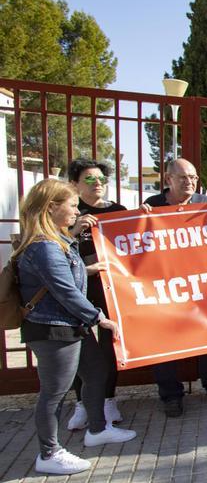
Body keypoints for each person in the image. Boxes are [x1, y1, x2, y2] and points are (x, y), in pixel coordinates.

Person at [15, 179, 136, 475]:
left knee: (95, 372)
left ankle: (97, 429)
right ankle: (49, 453)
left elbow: (70, 272)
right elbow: (65, 291)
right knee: (53, 393)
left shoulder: (57, 239)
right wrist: (100, 318)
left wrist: (79, 246)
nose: (75, 210)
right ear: (52, 207)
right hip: (53, 329)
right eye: (70, 205)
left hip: (72, 326)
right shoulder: (43, 247)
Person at [141, 158, 207, 417]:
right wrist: (140, 220)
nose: (189, 182)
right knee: (164, 345)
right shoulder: (151, 206)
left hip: (200, 288)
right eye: (183, 177)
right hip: (163, 288)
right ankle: (171, 396)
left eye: (193, 177)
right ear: (168, 179)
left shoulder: (204, 203)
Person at [63, 159, 128, 431]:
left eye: (101, 178)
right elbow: (54, 248)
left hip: (110, 293)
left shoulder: (118, 210)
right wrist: (75, 231)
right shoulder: (68, 214)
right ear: (75, 184)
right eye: (90, 179)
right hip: (77, 293)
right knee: (80, 349)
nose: (97, 183)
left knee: (107, 348)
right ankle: (82, 404)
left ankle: (108, 401)